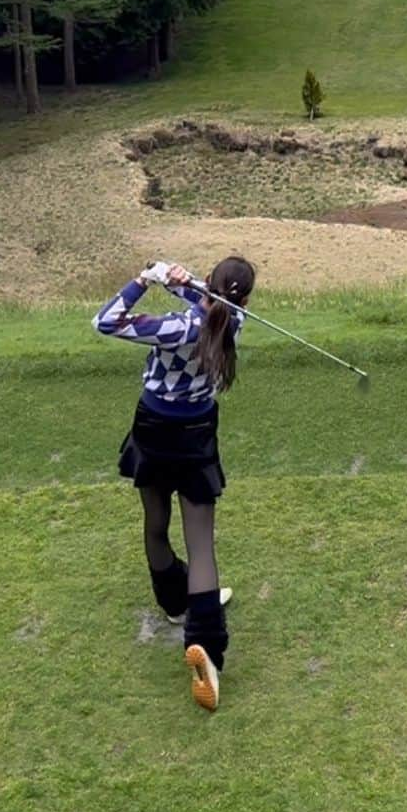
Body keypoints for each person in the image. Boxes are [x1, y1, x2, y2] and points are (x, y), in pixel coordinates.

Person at [93, 254, 256, 712]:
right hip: (197, 432)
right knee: (201, 543)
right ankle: (205, 640)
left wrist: (145, 280)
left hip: (154, 427)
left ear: (211, 284)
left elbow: (105, 322)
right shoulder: (235, 319)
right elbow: (213, 302)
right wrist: (181, 282)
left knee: (156, 521)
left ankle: (173, 601)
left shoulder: (176, 330)